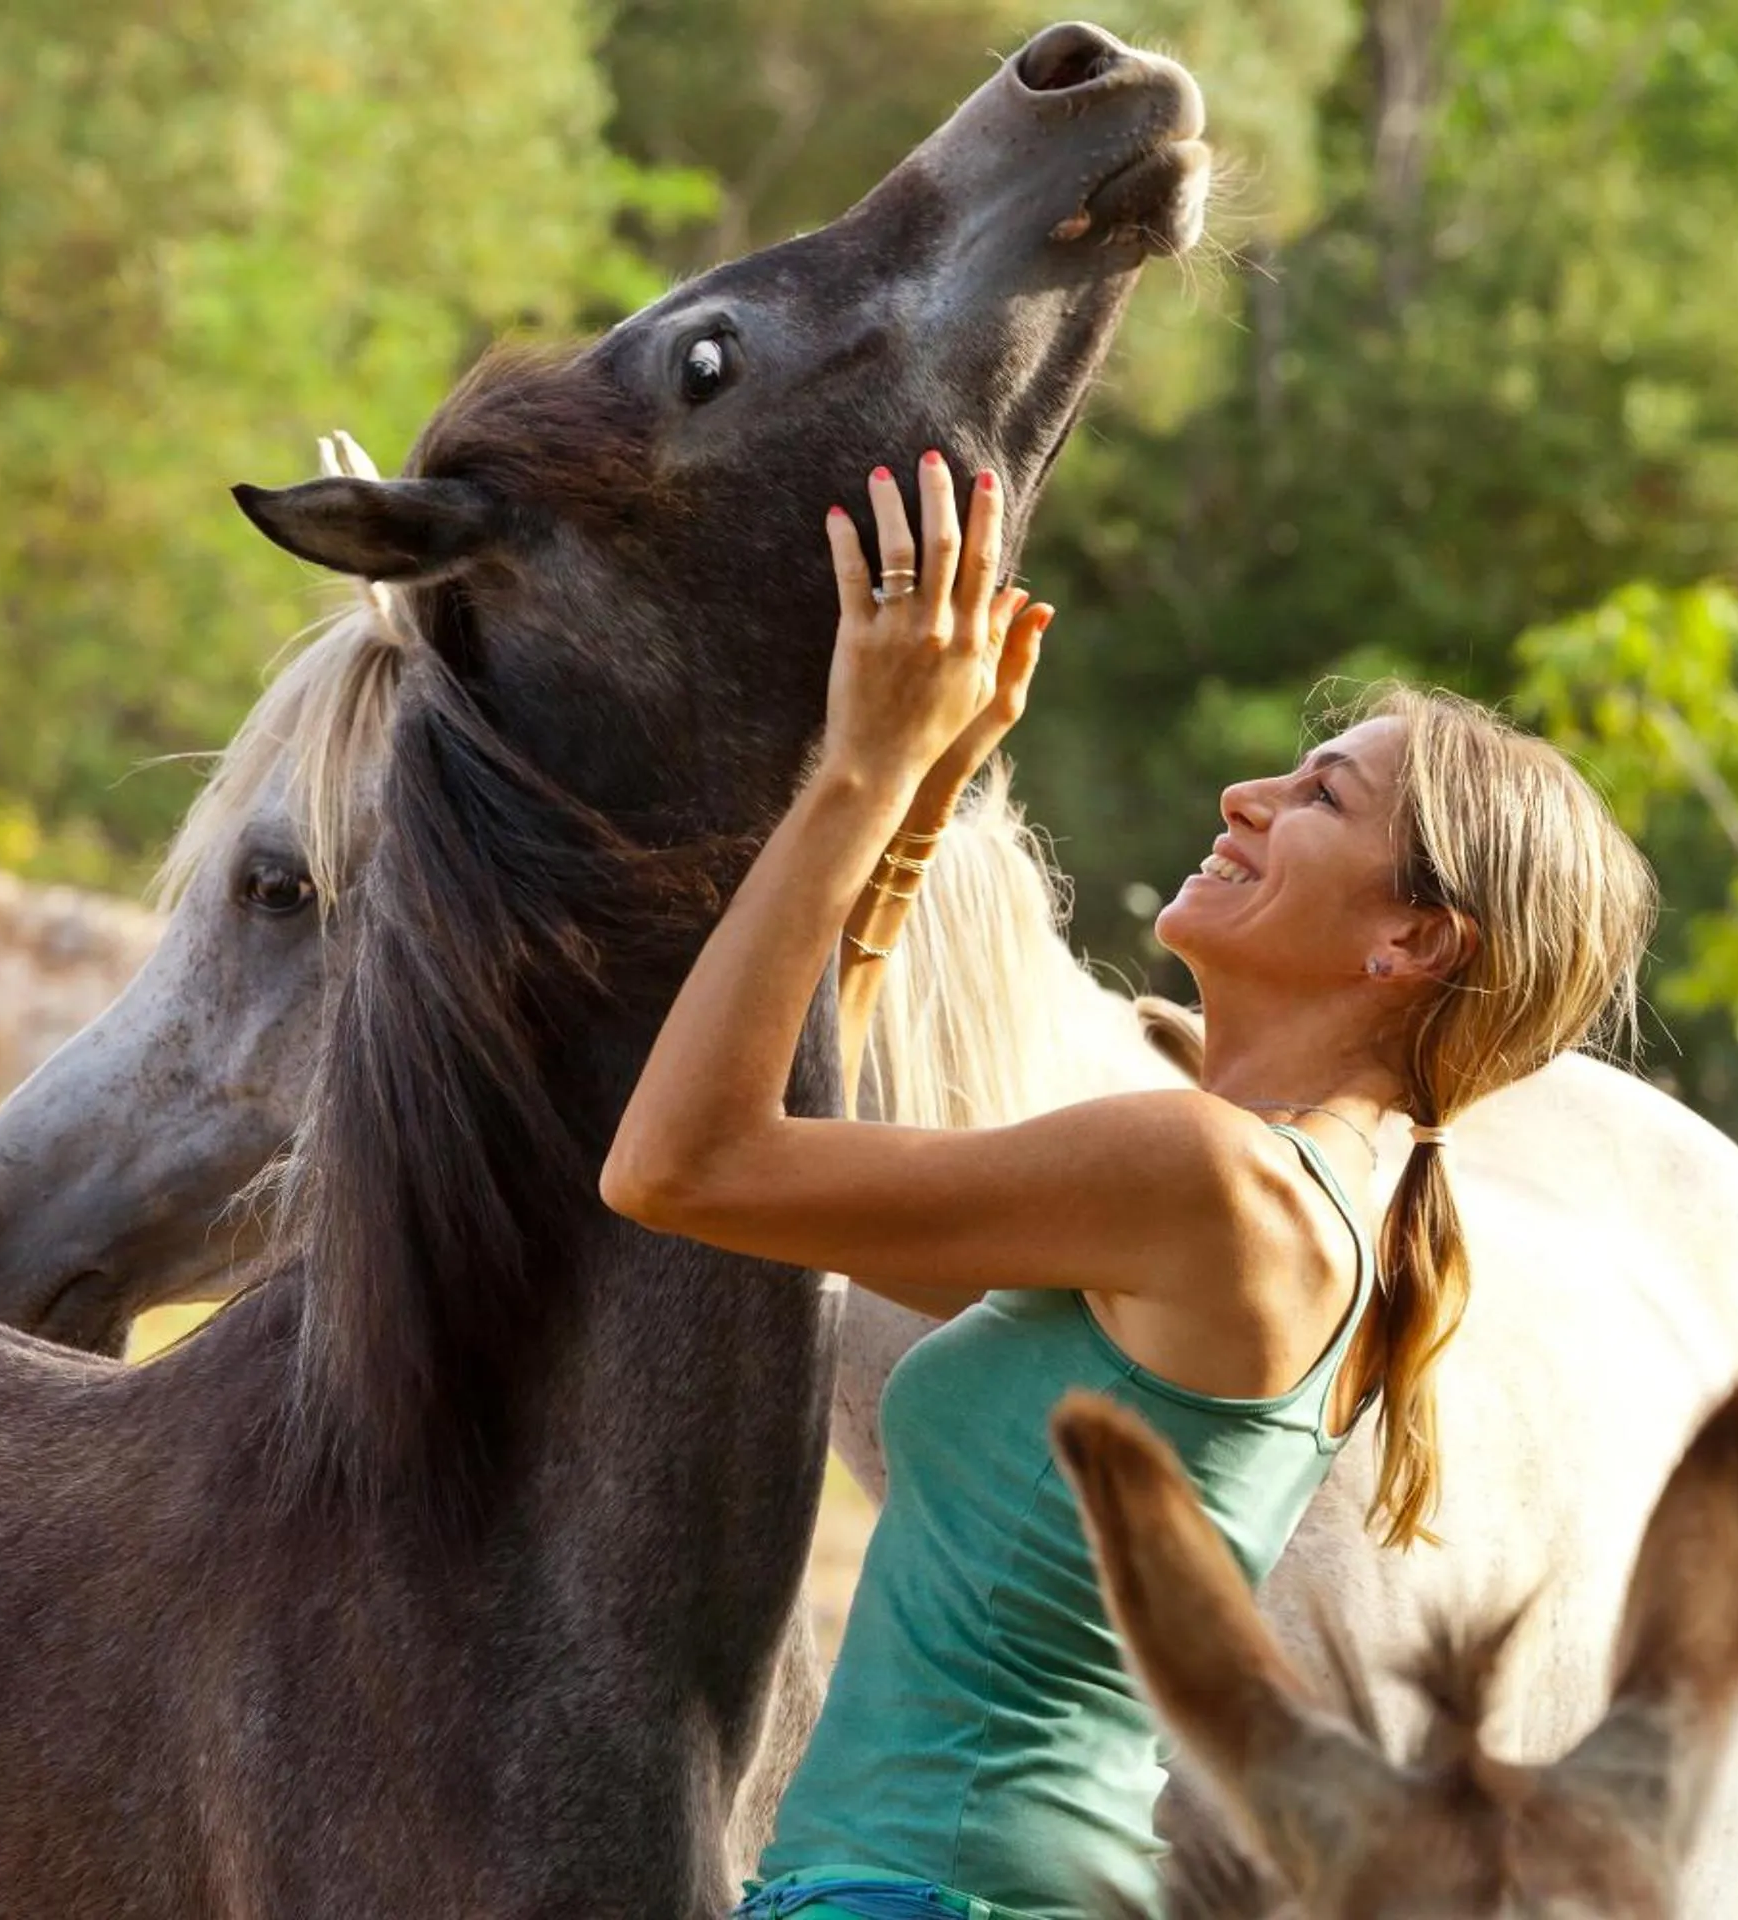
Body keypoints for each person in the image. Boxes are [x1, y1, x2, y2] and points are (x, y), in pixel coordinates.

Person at [600, 450, 1659, 1920]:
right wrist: (924, 794)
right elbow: (799, 1173)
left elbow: (682, 1165)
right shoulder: (1285, 1204)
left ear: (1414, 943)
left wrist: (861, 767)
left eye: (1322, 795)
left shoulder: (1204, 1179)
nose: (1246, 794)